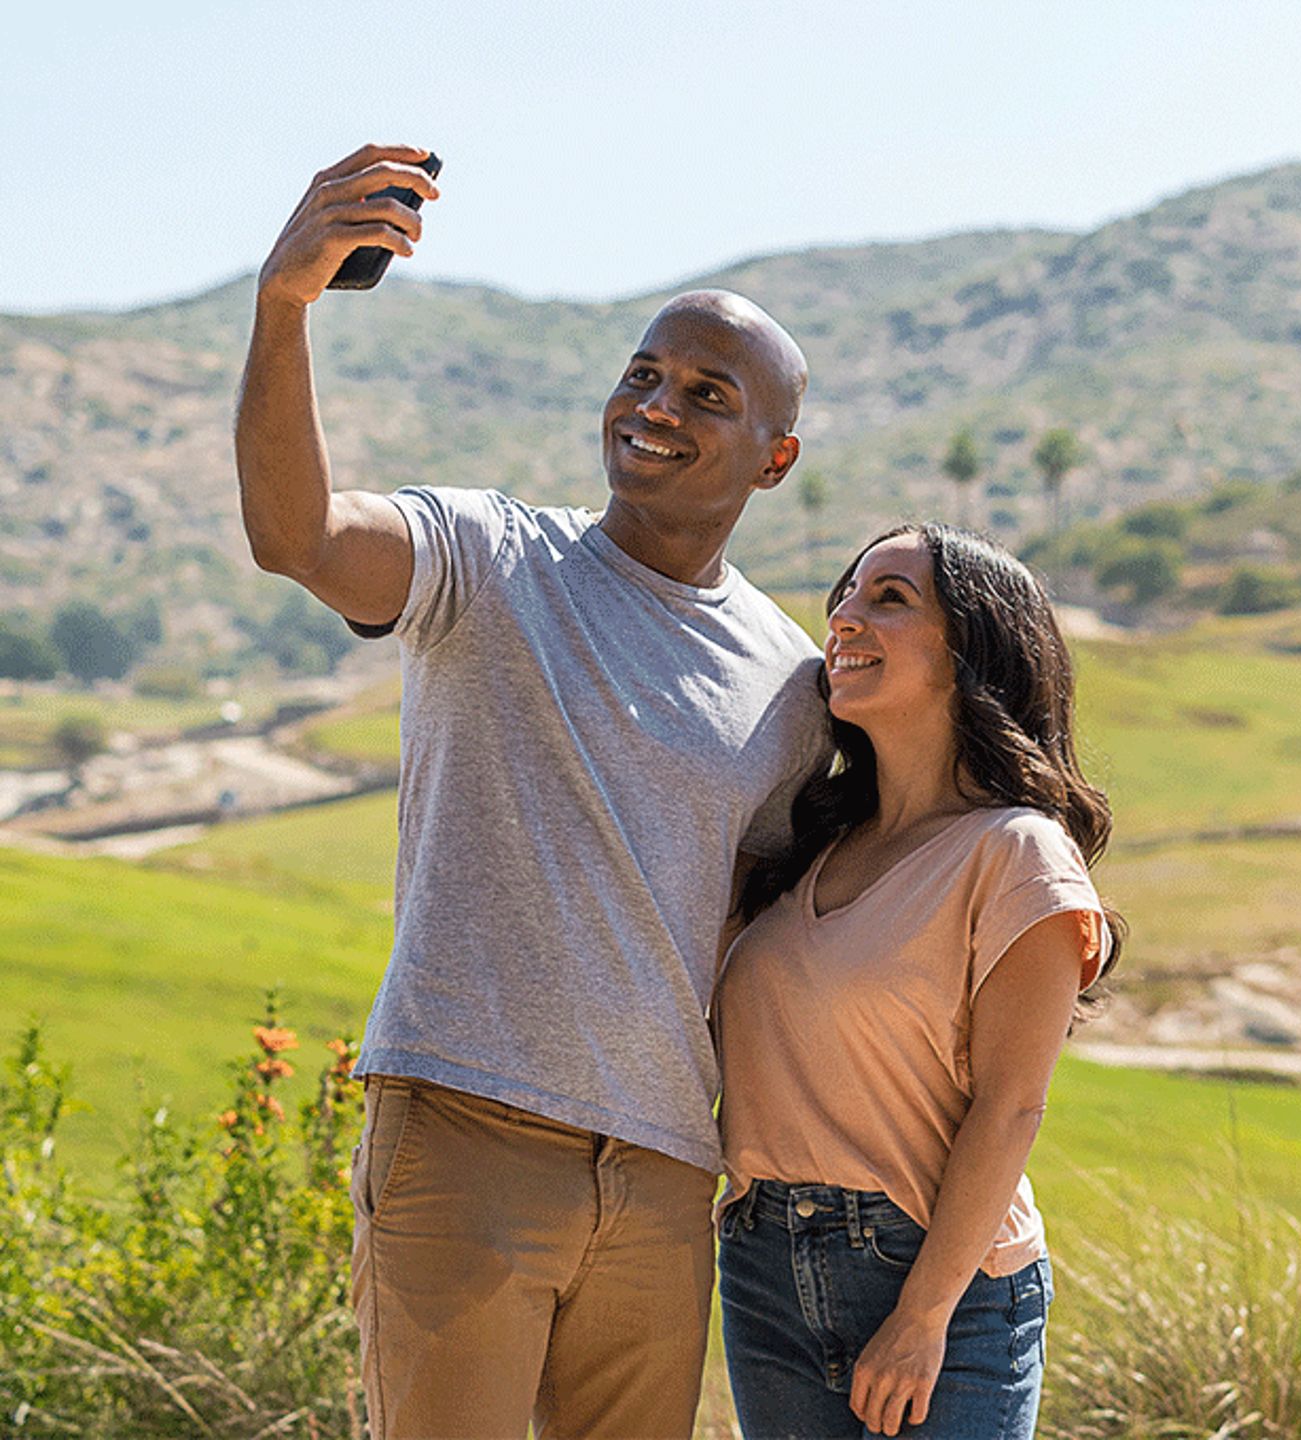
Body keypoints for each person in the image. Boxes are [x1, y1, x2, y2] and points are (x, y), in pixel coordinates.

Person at [234, 143, 832, 1440]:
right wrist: (285, 307)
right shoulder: (491, 556)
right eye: (643, 374)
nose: (657, 405)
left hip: (667, 1172)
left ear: (773, 459)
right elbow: (299, 534)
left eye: (706, 393)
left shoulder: (796, 689)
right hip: (464, 1130)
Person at [712, 523, 1123, 1439]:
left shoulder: (1016, 852)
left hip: (941, 1278)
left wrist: (923, 1315)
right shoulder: (808, 845)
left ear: (972, 649)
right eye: (845, 596)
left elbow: (1012, 1106)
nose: (844, 618)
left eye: (889, 598)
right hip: (762, 1262)